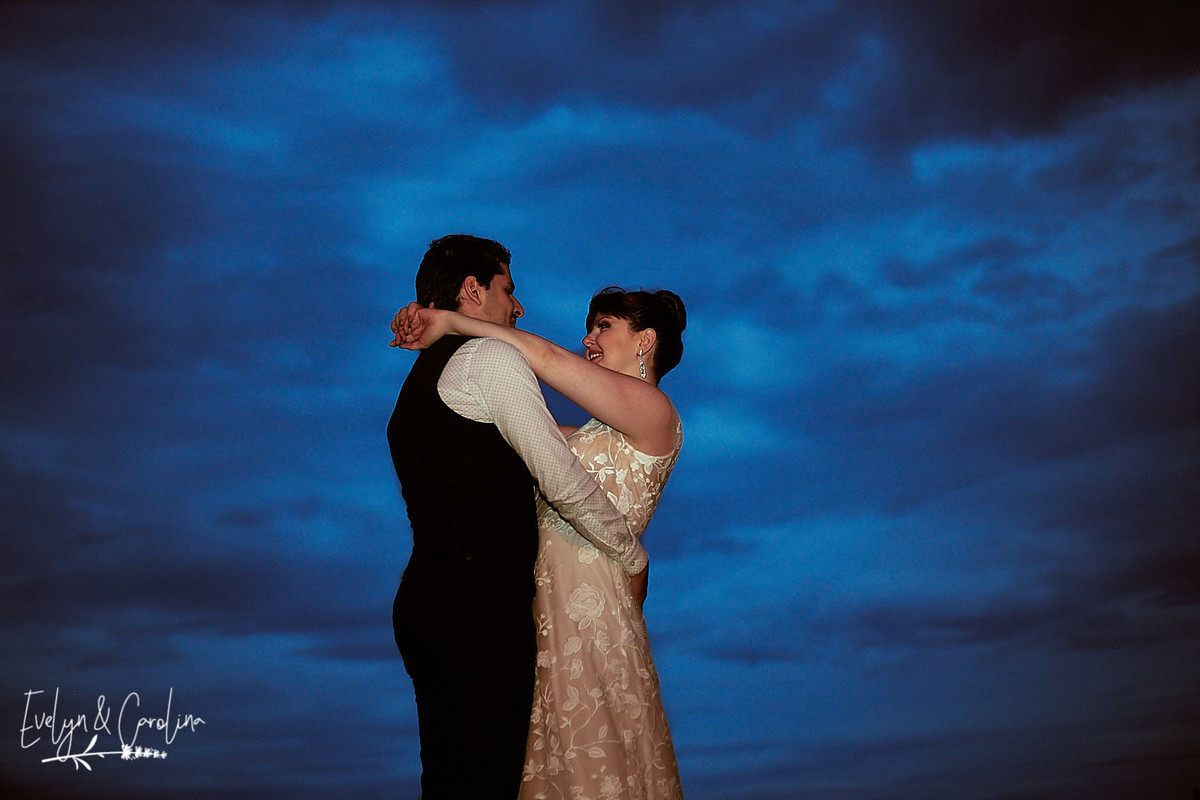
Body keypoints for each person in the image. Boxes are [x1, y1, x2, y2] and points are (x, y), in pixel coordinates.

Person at [392, 285, 687, 800]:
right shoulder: (585, 435)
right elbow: (507, 415)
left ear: (645, 341)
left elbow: (544, 357)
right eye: (590, 326)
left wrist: (448, 320)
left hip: (592, 614)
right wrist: (427, 324)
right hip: (546, 616)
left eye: (603, 326)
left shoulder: (656, 413)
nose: (587, 337)